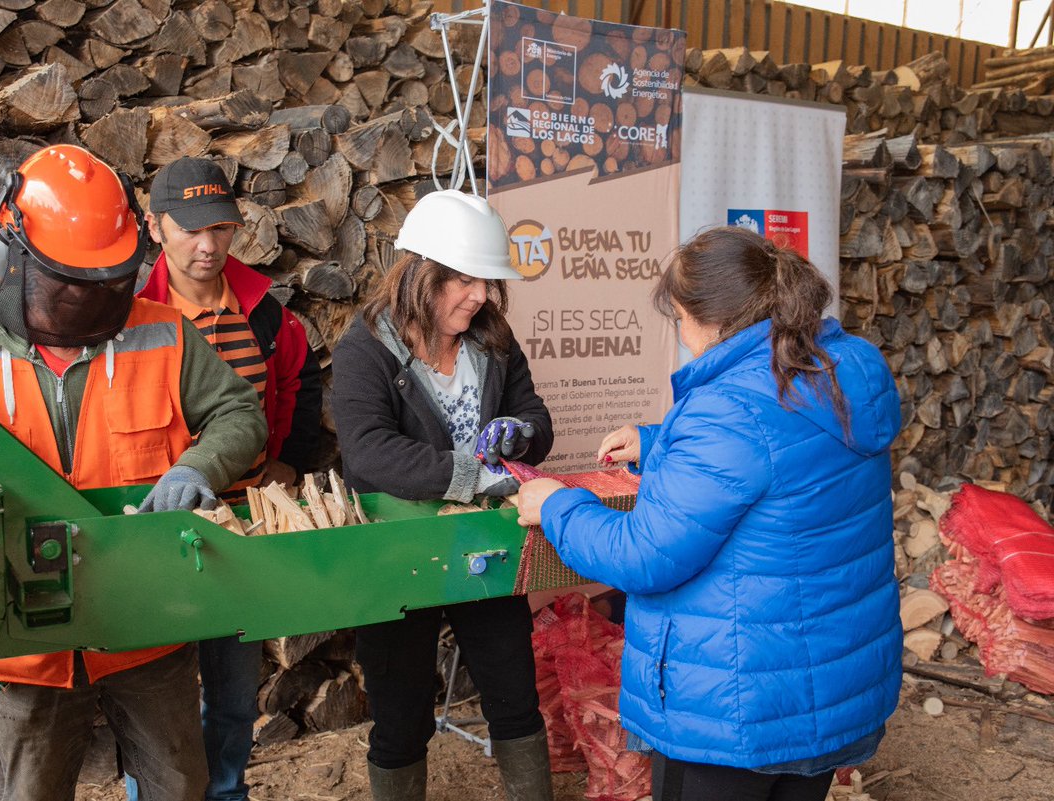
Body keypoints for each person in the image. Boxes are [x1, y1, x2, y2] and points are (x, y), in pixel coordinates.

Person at [0, 145, 267, 801]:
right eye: (74, 285)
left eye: (110, 282)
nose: (96, 300)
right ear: (10, 256)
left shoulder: (164, 334)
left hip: (149, 622)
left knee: (179, 785)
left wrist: (199, 465)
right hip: (27, 643)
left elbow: (240, 413)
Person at [515, 226, 903, 801]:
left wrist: (558, 505)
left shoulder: (727, 410)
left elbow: (643, 555)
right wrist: (658, 441)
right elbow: (779, 456)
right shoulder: (839, 365)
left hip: (736, 701)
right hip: (829, 685)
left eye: (680, 318)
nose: (684, 336)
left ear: (714, 318)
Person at [331, 189, 555, 801]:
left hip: (482, 543)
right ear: (418, 275)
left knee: (513, 693)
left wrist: (524, 433)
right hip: (397, 551)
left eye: (486, 281)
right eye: (464, 280)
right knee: (401, 715)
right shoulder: (366, 349)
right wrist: (472, 475)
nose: (480, 295)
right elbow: (370, 452)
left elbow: (533, 414)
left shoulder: (492, 337)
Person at [130, 156, 321, 801]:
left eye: (220, 228)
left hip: (245, 526)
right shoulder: (132, 313)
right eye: (189, 230)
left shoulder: (262, 310)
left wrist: (292, 454)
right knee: (157, 699)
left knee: (236, 691)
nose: (207, 245)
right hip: (160, 529)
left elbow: (300, 377)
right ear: (156, 228)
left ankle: (227, 792)